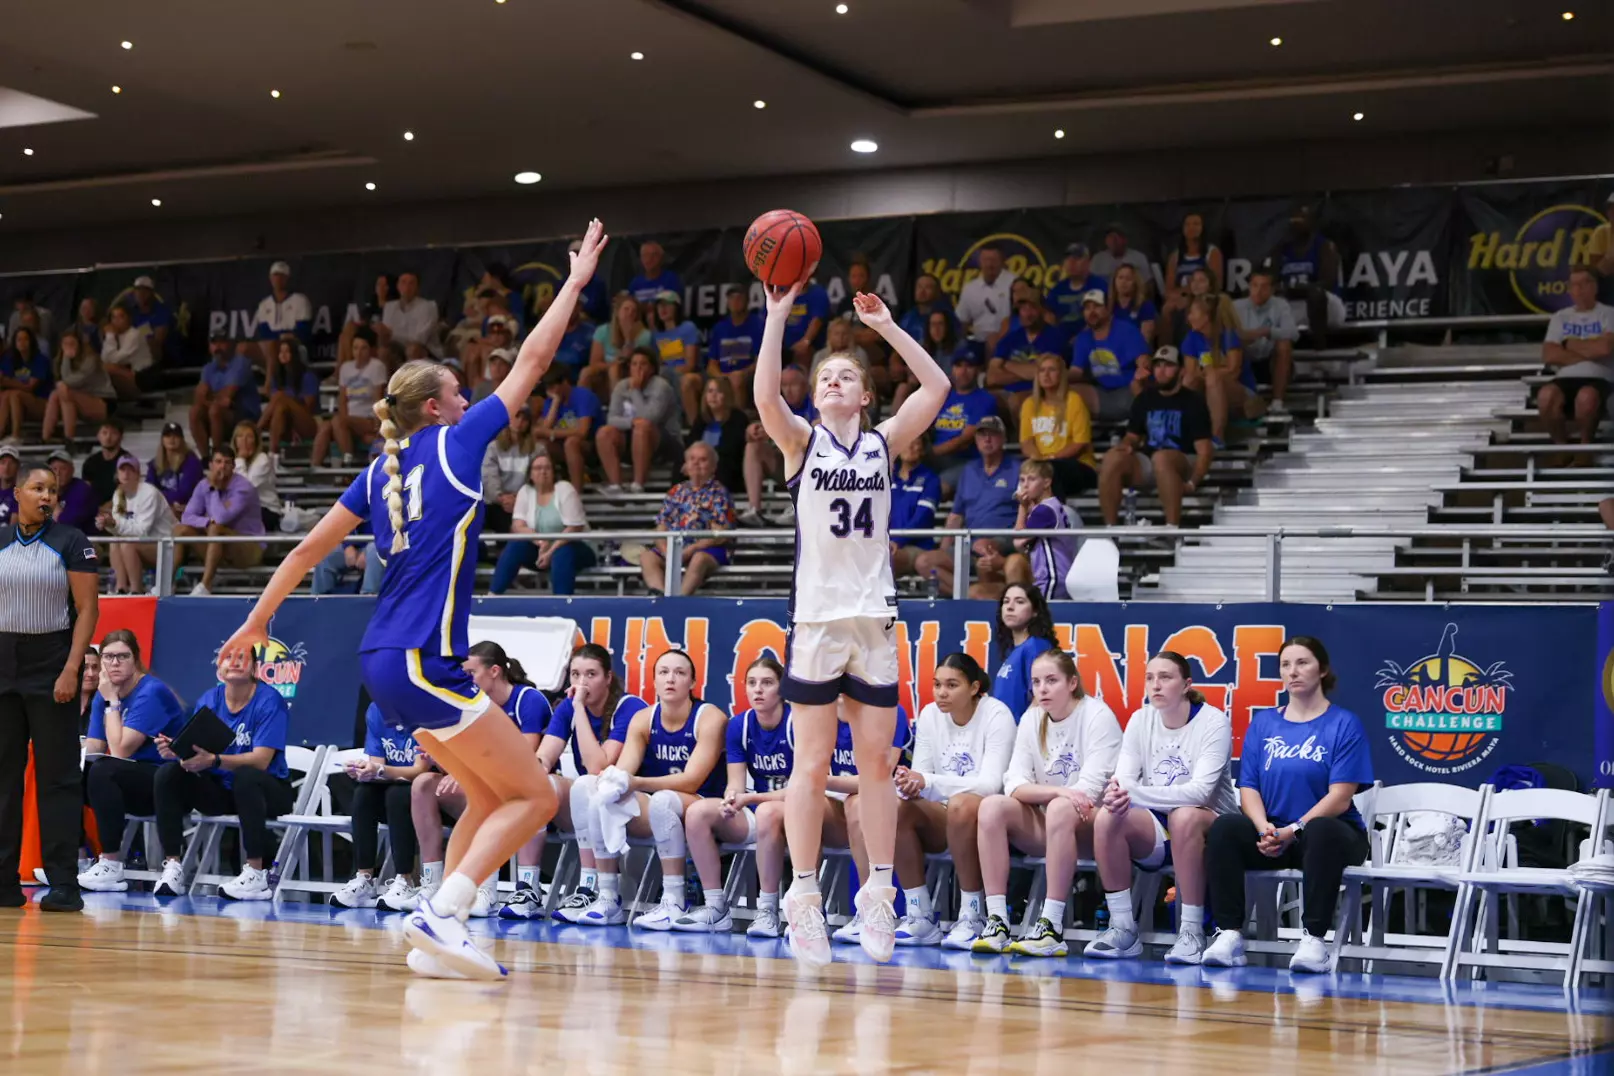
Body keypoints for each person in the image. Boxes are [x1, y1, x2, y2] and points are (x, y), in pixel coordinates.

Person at [220, 217, 605, 982]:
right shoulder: (460, 445)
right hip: (424, 661)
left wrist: (254, 622)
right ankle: (443, 910)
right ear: (435, 408)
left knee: (486, 790)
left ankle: (441, 928)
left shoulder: (378, 475)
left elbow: (301, 552)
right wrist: (575, 282)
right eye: (460, 392)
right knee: (534, 795)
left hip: (383, 660)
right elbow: (532, 360)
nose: (470, 400)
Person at [754, 277, 950, 967]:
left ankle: (879, 892)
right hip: (816, 622)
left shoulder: (884, 443)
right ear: (815, 394)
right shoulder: (799, 441)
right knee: (809, 765)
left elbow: (937, 389)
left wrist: (889, 329)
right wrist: (778, 313)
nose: (835, 380)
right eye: (826, 376)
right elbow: (763, 397)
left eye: (848, 376)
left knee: (876, 763)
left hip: (875, 620)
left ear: (866, 396)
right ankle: (803, 899)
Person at [1203, 636, 1373, 974]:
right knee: (1224, 827)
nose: (1292, 672)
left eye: (1302, 662)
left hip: (1331, 837)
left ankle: (1314, 940)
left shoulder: (1344, 724)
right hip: (1274, 837)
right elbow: (1248, 787)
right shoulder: (1264, 723)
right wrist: (1264, 827)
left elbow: (1340, 796)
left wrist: (1293, 830)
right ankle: (1229, 935)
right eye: (1285, 665)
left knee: (1321, 830)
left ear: (1322, 669)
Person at [1084, 650, 1237, 965]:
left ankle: (1192, 931)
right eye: (1150, 678)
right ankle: (1123, 927)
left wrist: (1132, 792)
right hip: (1159, 828)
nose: (1156, 685)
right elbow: (1124, 780)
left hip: (1215, 828)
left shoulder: (1213, 721)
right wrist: (1117, 795)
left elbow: (1200, 792)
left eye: (1165, 677)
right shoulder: (1141, 719)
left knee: (1183, 816)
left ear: (1186, 684)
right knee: (1106, 817)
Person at [971, 648, 1122, 956]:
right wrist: (1057, 792)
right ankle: (997, 920)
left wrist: (1059, 797)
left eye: (1051, 680)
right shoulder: (1032, 717)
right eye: (1037, 681)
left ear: (1072, 683)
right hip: (1052, 825)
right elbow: (1013, 783)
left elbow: (1088, 793)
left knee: (1061, 807)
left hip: (1098, 830)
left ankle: (1051, 926)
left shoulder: (1097, 715)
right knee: (991, 806)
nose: (1042, 688)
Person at [0, 467, 101, 912]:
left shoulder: (72, 541)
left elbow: (87, 609)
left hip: (52, 661)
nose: (46, 497)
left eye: (52, 491)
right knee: (3, 779)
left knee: (58, 776)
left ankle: (64, 882)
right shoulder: (0, 540)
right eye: (38, 489)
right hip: (3, 661)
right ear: (17, 493)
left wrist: (71, 668)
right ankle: (3, 882)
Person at [568, 649, 726, 928]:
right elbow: (624, 772)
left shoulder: (709, 717)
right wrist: (612, 782)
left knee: (663, 800)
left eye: (679, 673)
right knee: (597, 793)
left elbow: (692, 780)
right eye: (663, 672)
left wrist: (637, 783)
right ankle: (606, 897)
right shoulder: (643, 719)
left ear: (692, 682)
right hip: (658, 807)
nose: (671, 679)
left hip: (703, 805)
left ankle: (674, 900)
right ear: (653, 681)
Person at [411, 641, 552, 919]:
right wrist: (446, 757)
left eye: (470, 672)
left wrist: (463, 765)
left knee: (490, 795)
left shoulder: (528, 699)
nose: (465, 680)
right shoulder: (472, 706)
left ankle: (483, 887)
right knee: (423, 784)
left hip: (528, 786)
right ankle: (434, 883)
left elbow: (523, 758)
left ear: (495, 671)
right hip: (488, 782)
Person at [887, 653, 1017, 949]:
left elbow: (990, 784)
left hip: (990, 818)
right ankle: (919, 913)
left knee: (961, 804)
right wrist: (908, 784)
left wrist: (928, 782)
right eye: (936, 685)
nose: (941, 692)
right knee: (896, 807)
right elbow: (921, 775)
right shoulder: (931, 714)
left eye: (951, 685)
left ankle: (973, 916)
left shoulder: (996, 714)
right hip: (943, 815)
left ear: (973, 688)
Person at [147, 646, 294, 900]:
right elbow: (199, 751)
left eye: (242, 658)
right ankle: (173, 866)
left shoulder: (270, 700)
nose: (235, 663)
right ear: (219, 668)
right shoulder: (209, 699)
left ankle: (256, 874)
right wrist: (179, 752)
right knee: (168, 774)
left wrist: (214, 761)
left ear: (255, 668)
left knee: (246, 776)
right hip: (223, 790)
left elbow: (261, 761)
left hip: (268, 791)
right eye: (228, 658)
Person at [670, 656, 794, 932]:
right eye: (752, 683)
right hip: (761, 812)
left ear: (782, 688)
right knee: (698, 812)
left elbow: (802, 790)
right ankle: (716, 907)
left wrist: (749, 799)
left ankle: (768, 910)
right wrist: (731, 799)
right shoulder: (739, 725)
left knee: (767, 812)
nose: (758, 690)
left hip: (798, 813)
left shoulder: (797, 722)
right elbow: (736, 782)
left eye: (767, 683)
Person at [77, 631, 186, 895]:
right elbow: (95, 746)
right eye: (108, 657)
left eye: (122, 656)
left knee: (104, 770)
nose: (114, 663)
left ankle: (111, 864)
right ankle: (76, 860)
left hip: (167, 783)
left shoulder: (151, 691)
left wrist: (112, 702)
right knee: (66, 773)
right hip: (125, 780)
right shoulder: (102, 695)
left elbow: (120, 749)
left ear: (135, 659)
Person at [550, 644, 650, 923]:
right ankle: (528, 890)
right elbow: (543, 757)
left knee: (587, 783)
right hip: (596, 804)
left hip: (633, 800)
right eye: (575, 675)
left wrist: (578, 707)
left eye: (591, 674)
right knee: (541, 784)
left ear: (608, 677)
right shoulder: (567, 708)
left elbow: (600, 765)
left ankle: (592, 886)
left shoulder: (629, 707)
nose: (581, 683)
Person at [331, 702, 433, 911]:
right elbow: (377, 762)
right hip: (393, 787)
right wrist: (365, 771)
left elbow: (419, 770)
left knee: (398, 795)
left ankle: (406, 880)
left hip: (426, 791)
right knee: (364, 792)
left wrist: (379, 770)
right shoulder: (376, 710)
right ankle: (364, 879)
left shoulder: (424, 709)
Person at [1098, 347, 1214, 529]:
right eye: (1158, 365)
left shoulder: (1193, 401)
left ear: (1181, 371)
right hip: (1151, 460)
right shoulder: (1145, 399)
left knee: (1162, 458)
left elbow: (1205, 450)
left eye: (1168, 366)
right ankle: (1110, 531)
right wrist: (1127, 445)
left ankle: (1172, 527)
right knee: (1113, 457)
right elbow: (1132, 437)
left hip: (1183, 460)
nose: (1161, 370)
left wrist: (1192, 483)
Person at [913, 417, 1021, 601]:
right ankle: (971, 596)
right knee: (925, 562)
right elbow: (956, 516)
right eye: (982, 435)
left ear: (1003, 438)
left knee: (984, 548)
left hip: (1004, 540)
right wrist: (943, 549)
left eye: (993, 435)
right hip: (969, 544)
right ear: (976, 440)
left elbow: (1027, 511)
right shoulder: (969, 470)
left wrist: (1010, 539)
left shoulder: (1017, 469)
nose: (987, 440)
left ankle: (981, 595)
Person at [489, 449, 593, 595]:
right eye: (538, 468)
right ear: (530, 474)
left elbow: (574, 528)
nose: (543, 472)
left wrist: (550, 551)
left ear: (553, 472)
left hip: (576, 548)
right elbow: (518, 526)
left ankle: (562, 607)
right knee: (516, 545)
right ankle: (492, 596)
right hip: (542, 551)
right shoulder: (525, 491)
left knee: (562, 553)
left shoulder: (564, 488)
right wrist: (540, 542)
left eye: (547, 468)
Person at [1537, 266, 1614, 458]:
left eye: (1583, 284)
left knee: (1586, 398)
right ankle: (1561, 448)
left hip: (1599, 377)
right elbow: (1549, 355)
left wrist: (1568, 345)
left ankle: (1584, 448)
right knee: (1546, 397)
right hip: (1565, 378)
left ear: (1594, 287)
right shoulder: (1560, 317)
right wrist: (1589, 348)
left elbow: (1605, 349)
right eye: (1573, 285)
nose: (1578, 289)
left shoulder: (1609, 313)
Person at [640, 441, 734, 596]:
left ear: (713, 467)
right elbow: (662, 525)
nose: (696, 464)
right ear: (686, 465)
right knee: (647, 557)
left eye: (703, 460)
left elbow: (720, 534)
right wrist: (666, 550)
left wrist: (690, 550)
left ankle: (679, 601)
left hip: (705, 550)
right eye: (692, 459)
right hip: (674, 548)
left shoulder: (719, 492)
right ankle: (661, 596)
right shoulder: (676, 491)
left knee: (699, 559)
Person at [173, 449, 265, 596]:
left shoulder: (243, 488)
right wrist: (207, 521)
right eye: (218, 462)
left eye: (227, 462)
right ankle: (169, 582)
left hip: (249, 546)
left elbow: (221, 518)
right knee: (180, 530)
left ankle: (205, 586)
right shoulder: (203, 485)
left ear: (234, 466)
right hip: (218, 546)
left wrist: (214, 489)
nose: (222, 466)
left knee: (216, 529)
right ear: (210, 465)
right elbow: (187, 516)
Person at [738, 364, 813, 527]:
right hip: (783, 465)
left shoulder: (816, 402)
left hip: (813, 469)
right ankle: (754, 510)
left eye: (793, 384)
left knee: (804, 447)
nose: (788, 390)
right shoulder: (778, 405)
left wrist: (775, 430)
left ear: (806, 386)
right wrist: (755, 429)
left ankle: (797, 506)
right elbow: (764, 425)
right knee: (753, 447)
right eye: (784, 385)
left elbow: (817, 430)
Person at [598, 347, 680, 496]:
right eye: (634, 364)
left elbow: (649, 418)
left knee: (642, 427)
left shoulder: (661, 386)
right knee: (605, 432)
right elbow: (612, 419)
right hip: (632, 437)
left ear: (652, 368)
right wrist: (631, 423)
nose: (638, 368)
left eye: (643, 364)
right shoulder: (622, 386)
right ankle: (616, 484)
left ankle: (638, 484)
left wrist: (635, 391)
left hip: (665, 442)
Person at [1019, 355, 1096, 499]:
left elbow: (1080, 443)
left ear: (1061, 375)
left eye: (1051, 370)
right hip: (1042, 465)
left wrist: (1050, 459)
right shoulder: (1029, 404)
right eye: (1042, 370)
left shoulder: (1074, 401)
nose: (1046, 375)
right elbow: (1026, 442)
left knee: (1051, 472)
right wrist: (1038, 459)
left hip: (1078, 465)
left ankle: (1055, 517)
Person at [1071, 289, 1152, 423]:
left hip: (1129, 392)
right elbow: (1076, 372)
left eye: (1096, 306)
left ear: (1108, 309)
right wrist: (1058, 377)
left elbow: (1142, 359)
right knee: (1065, 392)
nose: (1091, 312)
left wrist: (1143, 369)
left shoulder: (1126, 329)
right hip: (1102, 393)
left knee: (1138, 386)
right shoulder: (1083, 338)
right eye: (1087, 308)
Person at [1179, 296, 1252, 446]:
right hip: (1209, 390)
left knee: (1213, 377)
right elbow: (1191, 371)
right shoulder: (1192, 338)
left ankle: (1217, 437)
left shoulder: (1228, 335)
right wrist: (1207, 374)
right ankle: (1185, 434)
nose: (1189, 317)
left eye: (1193, 313)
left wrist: (1208, 373)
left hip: (1241, 394)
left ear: (1205, 317)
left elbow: (1234, 371)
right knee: (1188, 380)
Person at [311, 329, 389, 468]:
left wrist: (379, 427)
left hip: (369, 419)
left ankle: (348, 461)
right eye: (355, 348)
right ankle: (314, 468)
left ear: (370, 350)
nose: (358, 353)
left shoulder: (376, 366)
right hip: (348, 420)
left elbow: (379, 398)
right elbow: (343, 399)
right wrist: (342, 424)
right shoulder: (346, 368)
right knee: (325, 427)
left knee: (338, 421)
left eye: (363, 348)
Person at [1268, 205, 1344, 343]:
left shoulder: (1324, 246)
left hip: (1327, 307)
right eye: (1293, 219)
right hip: (1295, 305)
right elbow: (1271, 283)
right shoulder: (1281, 250)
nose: (1296, 223)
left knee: (1316, 294)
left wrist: (1297, 289)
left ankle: (1320, 346)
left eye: (1301, 219)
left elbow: (1327, 283)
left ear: (1312, 222)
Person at [99, 454, 173, 594]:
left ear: (138, 474)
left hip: (165, 546)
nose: (126, 474)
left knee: (128, 543)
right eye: (122, 470)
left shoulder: (149, 493)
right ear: (117, 474)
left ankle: (135, 590)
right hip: (144, 543)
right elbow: (119, 528)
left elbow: (142, 531)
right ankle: (120, 588)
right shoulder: (118, 494)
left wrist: (114, 523)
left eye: (130, 470)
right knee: (114, 541)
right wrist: (107, 523)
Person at [1004, 460, 1076, 600]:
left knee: (1041, 619)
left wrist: (1022, 507)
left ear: (1046, 482)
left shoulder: (1044, 510)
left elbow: (1018, 542)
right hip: (1058, 576)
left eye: (1032, 479)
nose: (1025, 485)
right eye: (1022, 479)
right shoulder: (1052, 505)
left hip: (1052, 578)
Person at [988, 291, 1067, 414]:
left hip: (1040, 391)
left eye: (1033, 308)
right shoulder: (1010, 338)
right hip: (1007, 392)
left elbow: (1043, 373)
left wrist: (1008, 365)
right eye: (1023, 309)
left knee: (1017, 402)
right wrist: (1027, 372)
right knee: (984, 400)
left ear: (1042, 311)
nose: (1027, 314)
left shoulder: (1055, 337)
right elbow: (992, 377)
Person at [929, 350, 996, 494]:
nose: (963, 371)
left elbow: (965, 440)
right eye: (959, 366)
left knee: (937, 486)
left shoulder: (985, 400)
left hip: (967, 461)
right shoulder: (942, 397)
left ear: (978, 370)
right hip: (936, 459)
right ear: (952, 369)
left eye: (969, 366)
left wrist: (931, 453)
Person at [1233, 268, 1299, 413]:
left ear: (1272, 289)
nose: (1258, 291)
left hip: (1270, 362)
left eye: (1264, 286)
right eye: (1255, 285)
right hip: (1244, 361)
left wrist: (1266, 332)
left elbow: (1293, 333)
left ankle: (1277, 402)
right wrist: (1244, 338)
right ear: (1249, 287)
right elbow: (1224, 338)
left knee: (1284, 344)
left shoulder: (1280, 305)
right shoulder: (1236, 306)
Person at [989, 583, 1058, 717]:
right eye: (1006, 601)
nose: (1010, 607)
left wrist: (1025, 731)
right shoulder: (1016, 650)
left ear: (1035, 611)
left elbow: (1042, 696)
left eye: (1019, 602)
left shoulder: (1036, 646)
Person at [190, 332, 262, 457]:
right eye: (214, 343)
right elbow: (199, 398)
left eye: (222, 343)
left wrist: (209, 397)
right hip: (223, 413)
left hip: (245, 415)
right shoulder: (208, 368)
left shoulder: (241, 363)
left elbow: (228, 394)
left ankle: (219, 455)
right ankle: (206, 459)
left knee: (215, 410)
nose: (217, 347)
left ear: (230, 344)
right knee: (194, 411)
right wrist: (208, 398)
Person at [533, 365, 603, 491]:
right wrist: (555, 402)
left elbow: (582, 431)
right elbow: (543, 429)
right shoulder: (551, 400)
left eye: (553, 386)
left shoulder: (583, 396)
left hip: (592, 446)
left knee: (571, 442)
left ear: (565, 382)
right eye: (548, 388)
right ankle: (546, 488)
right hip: (563, 446)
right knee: (541, 445)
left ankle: (576, 491)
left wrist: (552, 433)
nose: (550, 391)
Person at [41, 329, 115, 447]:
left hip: (103, 400)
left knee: (65, 392)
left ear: (79, 344)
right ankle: (45, 437)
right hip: (79, 400)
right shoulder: (60, 360)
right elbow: (65, 380)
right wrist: (66, 358)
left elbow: (75, 381)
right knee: (56, 394)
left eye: (72, 344)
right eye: (65, 344)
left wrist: (66, 362)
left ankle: (69, 438)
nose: (69, 347)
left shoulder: (91, 359)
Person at [261, 336, 321, 464]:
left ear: (294, 354)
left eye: (287, 351)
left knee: (280, 397)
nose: (283, 355)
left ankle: (256, 429)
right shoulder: (278, 378)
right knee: (279, 408)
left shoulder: (308, 375)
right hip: (286, 423)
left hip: (309, 422)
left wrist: (288, 401)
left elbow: (308, 406)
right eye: (280, 352)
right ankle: (273, 457)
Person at [890, 436, 941, 584]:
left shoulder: (930, 479)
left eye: (916, 442)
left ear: (923, 450)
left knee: (883, 558)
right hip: (889, 544)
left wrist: (897, 541)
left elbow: (922, 517)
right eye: (906, 442)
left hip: (917, 547)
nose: (910, 446)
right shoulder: (888, 478)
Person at [686, 376, 749, 494]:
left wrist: (705, 461)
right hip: (701, 469)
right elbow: (690, 445)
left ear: (727, 395)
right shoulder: (701, 419)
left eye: (718, 391)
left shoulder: (738, 418)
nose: (713, 396)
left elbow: (732, 451)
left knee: (721, 466)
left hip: (727, 470)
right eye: (710, 391)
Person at [481, 405, 537, 535]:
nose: (520, 422)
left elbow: (536, 479)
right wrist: (501, 498)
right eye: (517, 417)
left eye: (525, 419)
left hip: (525, 502)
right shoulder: (493, 448)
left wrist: (519, 499)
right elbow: (488, 477)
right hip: (496, 503)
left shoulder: (537, 449)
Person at [584, 294, 653, 398]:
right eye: (626, 309)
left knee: (614, 370)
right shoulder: (603, 331)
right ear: (617, 312)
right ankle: (583, 408)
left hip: (633, 372)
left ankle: (616, 409)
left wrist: (629, 338)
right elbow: (594, 363)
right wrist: (614, 363)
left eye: (633, 311)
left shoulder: (644, 335)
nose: (630, 313)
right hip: (605, 372)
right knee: (586, 372)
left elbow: (640, 361)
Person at [650, 291, 703, 424]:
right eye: (659, 306)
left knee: (681, 380)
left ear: (676, 307)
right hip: (666, 377)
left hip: (690, 375)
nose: (663, 309)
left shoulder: (688, 328)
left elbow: (690, 364)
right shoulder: (656, 335)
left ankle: (694, 426)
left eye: (667, 305)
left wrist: (668, 372)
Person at [707, 288, 764, 410]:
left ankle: (738, 422)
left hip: (749, 375)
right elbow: (711, 365)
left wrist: (742, 372)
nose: (735, 301)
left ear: (747, 302)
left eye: (739, 298)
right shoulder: (719, 328)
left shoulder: (757, 324)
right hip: (724, 375)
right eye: (732, 298)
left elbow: (761, 361)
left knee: (736, 379)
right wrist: (722, 376)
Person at [0, 326, 53, 443]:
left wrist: (8, 381)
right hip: (19, 406)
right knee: (6, 395)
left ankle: (16, 435)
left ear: (31, 341)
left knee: (14, 394)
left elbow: (29, 387)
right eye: (19, 339)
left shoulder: (40, 360)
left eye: (25, 339)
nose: (22, 343)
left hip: (42, 404)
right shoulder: (10, 360)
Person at [956, 246, 1016, 347]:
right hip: (977, 342)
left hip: (1009, 339)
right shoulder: (970, 288)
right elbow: (963, 321)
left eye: (993, 260)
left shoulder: (1014, 283)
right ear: (979, 262)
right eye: (986, 260)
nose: (989, 264)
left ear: (1002, 261)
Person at [379, 270, 443, 359]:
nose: (407, 287)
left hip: (426, 350)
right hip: (398, 348)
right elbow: (386, 338)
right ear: (398, 286)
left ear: (417, 287)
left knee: (413, 349)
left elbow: (419, 339)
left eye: (411, 283)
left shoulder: (428, 306)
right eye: (403, 282)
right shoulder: (389, 307)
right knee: (383, 351)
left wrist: (392, 334)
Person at [231, 421, 280, 532]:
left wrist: (240, 459)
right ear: (235, 441)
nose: (244, 441)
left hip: (267, 510)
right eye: (240, 436)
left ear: (256, 442)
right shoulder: (230, 461)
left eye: (249, 437)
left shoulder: (262, 459)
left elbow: (246, 488)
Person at [147, 423, 204, 519]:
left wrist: (161, 496)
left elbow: (185, 493)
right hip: (163, 507)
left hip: (187, 508)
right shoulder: (155, 463)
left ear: (182, 439)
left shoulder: (192, 462)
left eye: (176, 436)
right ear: (162, 440)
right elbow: (148, 490)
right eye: (168, 436)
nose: (171, 439)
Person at [99, 305, 154, 400]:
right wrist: (110, 337)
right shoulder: (114, 335)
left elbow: (115, 360)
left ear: (129, 318)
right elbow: (104, 358)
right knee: (101, 367)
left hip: (143, 377)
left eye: (121, 317)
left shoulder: (135, 334)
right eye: (114, 317)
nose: (117, 321)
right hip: (128, 373)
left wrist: (110, 336)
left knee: (109, 368)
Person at [1164, 212, 1224, 297]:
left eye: (1196, 224)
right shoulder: (1175, 256)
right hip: (1180, 300)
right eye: (1187, 225)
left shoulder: (1212, 252)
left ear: (1203, 228)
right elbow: (1168, 291)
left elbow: (1216, 286)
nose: (1191, 228)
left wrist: (1188, 292)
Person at [1045, 243, 1106, 326]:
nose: (1071, 262)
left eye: (1077, 258)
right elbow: (1049, 315)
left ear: (1088, 262)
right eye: (1068, 258)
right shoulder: (1058, 289)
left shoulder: (1099, 285)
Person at [44, 450, 97, 535]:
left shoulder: (81, 489)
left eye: (63, 469)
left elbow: (68, 524)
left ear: (72, 470)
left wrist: (54, 498)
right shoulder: (44, 491)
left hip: (85, 542)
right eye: (54, 469)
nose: (58, 473)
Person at [1090, 223, 1153, 292]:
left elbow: (1148, 285)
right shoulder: (1098, 259)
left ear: (1125, 240)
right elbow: (1090, 284)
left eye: (1117, 237)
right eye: (1110, 236)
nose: (1113, 240)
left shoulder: (1139, 258)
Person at [80, 418, 127, 508]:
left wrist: (104, 509)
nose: (108, 437)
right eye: (104, 433)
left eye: (113, 433)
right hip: (94, 510)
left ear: (121, 437)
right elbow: (86, 491)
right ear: (98, 436)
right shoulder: (90, 462)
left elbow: (125, 492)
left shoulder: (127, 461)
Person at [1108, 264, 1158, 347]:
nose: (1123, 282)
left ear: (1135, 283)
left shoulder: (1145, 306)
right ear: (1114, 281)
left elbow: (1144, 340)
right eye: (1120, 278)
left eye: (1128, 279)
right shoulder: (1107, 306)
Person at [628, 240, 682, 306]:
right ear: (641, 259)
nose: (649, 259)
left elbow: (671, 307)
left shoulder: (671, 279)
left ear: (662, 258)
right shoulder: (635, 283)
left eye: (654, 255)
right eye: (645, 255)